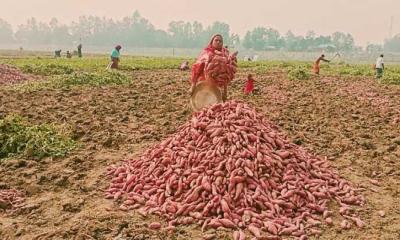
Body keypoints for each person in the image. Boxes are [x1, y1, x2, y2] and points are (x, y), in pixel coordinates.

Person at [190, 34, 237, 101]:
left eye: (220, 41)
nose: (218, 42)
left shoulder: (225, 55)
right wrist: (193, 85)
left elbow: (226, 75)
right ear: (212, 42)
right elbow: (197, 68)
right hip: (204, 82)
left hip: (217, 85)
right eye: (216, 40)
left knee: (213, 103)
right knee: (201, 101)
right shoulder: (206, 53)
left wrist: (225, 92)